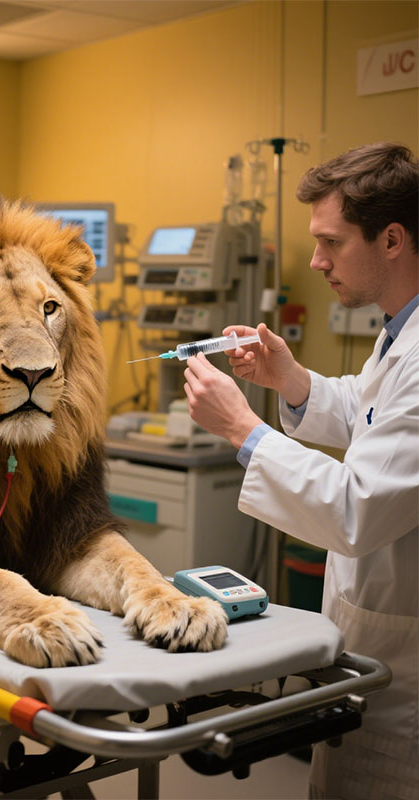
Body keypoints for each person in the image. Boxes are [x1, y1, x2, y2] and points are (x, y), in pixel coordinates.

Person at [183, 142, 418, 799]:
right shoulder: (399, 331)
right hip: (375, 637)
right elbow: (369, 414)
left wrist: (241, 427)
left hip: (408, 667)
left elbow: (358, 507)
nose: (316, 261)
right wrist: (290, 379)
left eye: (331, 243)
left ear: (392, 238)